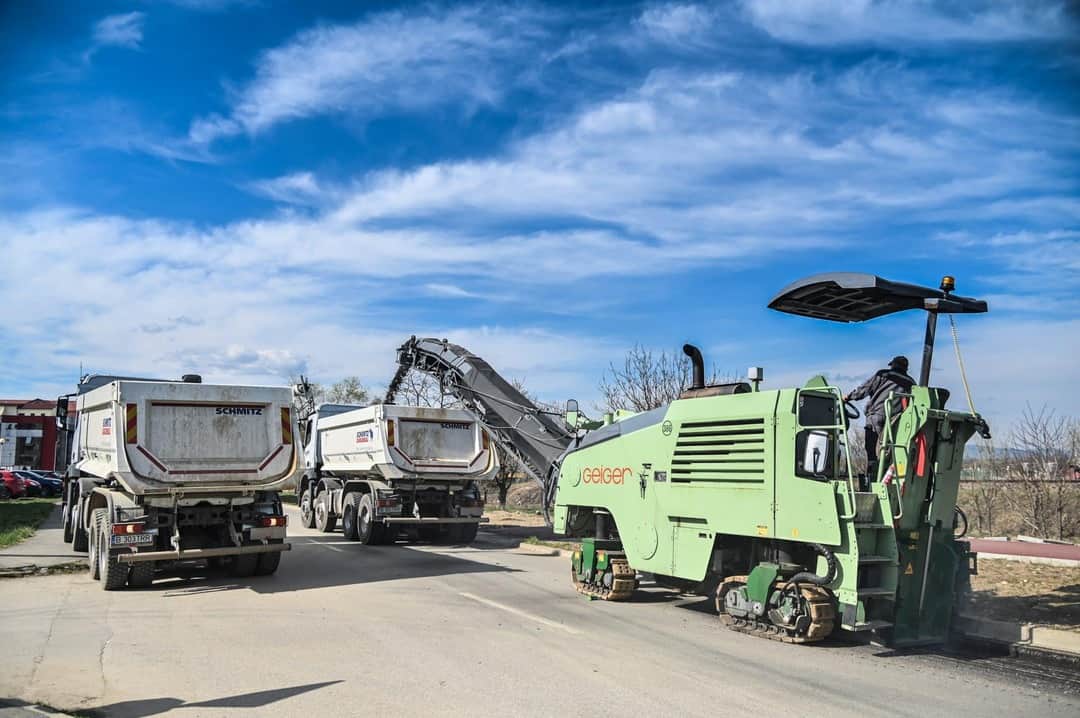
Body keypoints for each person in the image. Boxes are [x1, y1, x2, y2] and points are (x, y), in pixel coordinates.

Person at [845, 356, 915, 481]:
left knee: (872, 451)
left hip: (876, 417)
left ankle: (872, 480)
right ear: (906, 368)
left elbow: (864, 390)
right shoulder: (911, 382)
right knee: (886, 453)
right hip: (895, 422)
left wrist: (848, 397)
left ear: (893, 365)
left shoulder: (883, 374)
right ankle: (884, 478)